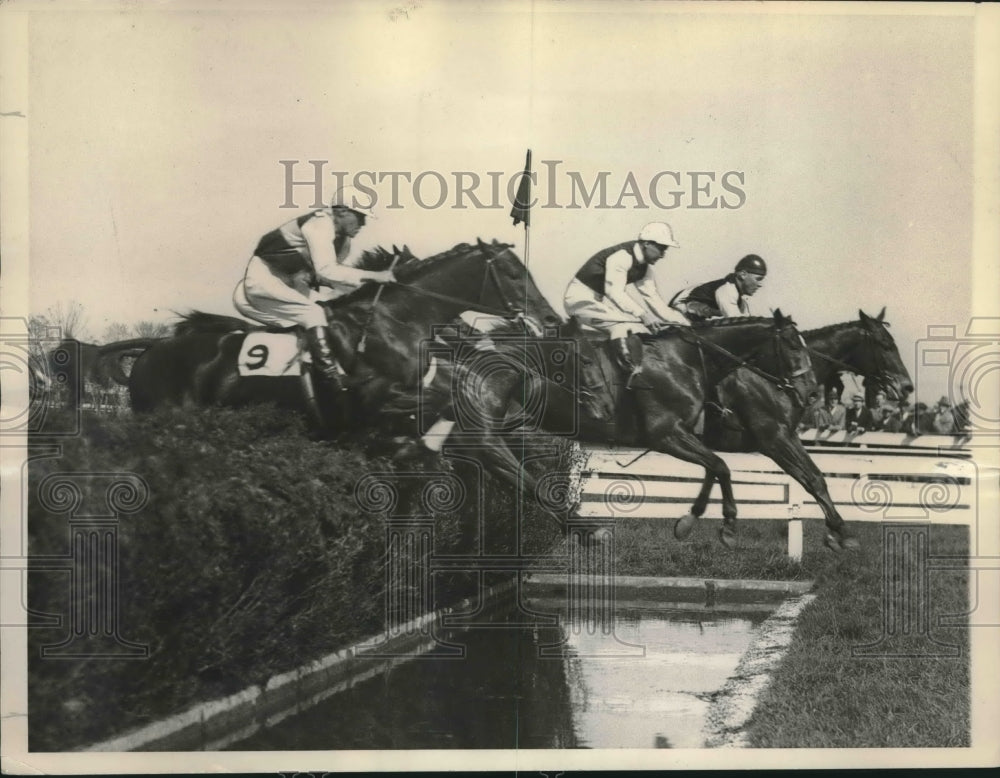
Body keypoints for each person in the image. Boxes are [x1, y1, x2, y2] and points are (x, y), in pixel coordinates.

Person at [233, 186, 395, 391]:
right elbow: (328, 271)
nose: (363, 223)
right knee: (315, 314)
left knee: (333, 312)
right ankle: (331, 379)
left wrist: (367, 289)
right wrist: (375, 276)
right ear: (342, 211)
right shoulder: (319, 224)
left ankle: (313, 366)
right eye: (360, 216)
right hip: (262, 281)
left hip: (290, 283)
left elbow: (328, 278)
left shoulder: (343, 242)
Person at [563, 222, 688, 387]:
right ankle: (630, 377)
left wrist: (685, 323)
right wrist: (643, 315)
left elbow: (655, 301)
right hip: (578, 300)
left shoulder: (645, 269)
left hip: (596, 301)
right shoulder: (622, 257)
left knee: (641, 329)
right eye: (662, 248)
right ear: (647, 243)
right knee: (622, 327)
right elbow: (614, 292)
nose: (663, 255)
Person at [669, 254, 767, 321]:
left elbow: (747, 323)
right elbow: (736, 324)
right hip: (678, 310)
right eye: (758, 279)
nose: (760, 284)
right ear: (743, 274)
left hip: (695, 314)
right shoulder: (727, 291)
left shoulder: (741, 302)